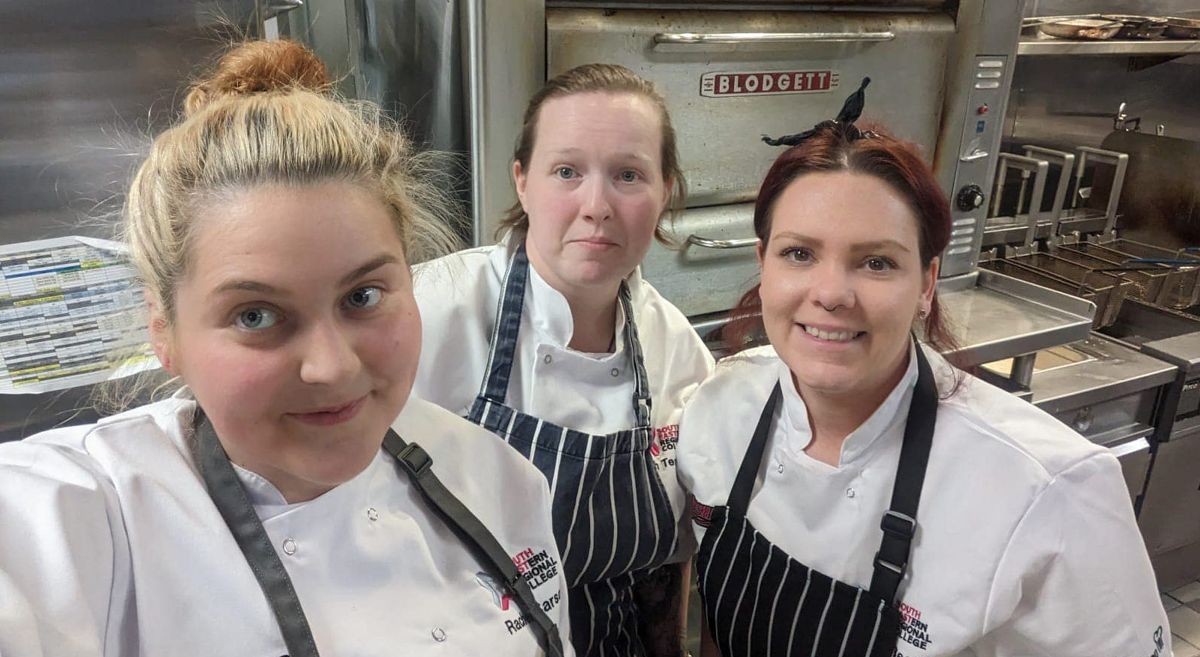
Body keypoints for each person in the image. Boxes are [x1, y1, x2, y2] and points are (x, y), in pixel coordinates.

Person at [0, 40, 572, 657]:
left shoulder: (499, 480)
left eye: (363, 296)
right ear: (163, 331)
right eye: (256, 315)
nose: (332, 367)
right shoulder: (91, 520)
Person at [677, 118, 1172, 656]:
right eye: (799, 253)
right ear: (763, 263)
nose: (831, 294)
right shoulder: (721, 406)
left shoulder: (1050, 492)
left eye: (876, 262)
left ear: (926, 284)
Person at [411, 64, 714, 657]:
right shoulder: (428, 314)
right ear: (522, 181)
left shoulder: (674, 350)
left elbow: (671, 567)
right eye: (567, 172)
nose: (596, 205)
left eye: (628, 174)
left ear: (665, 190)